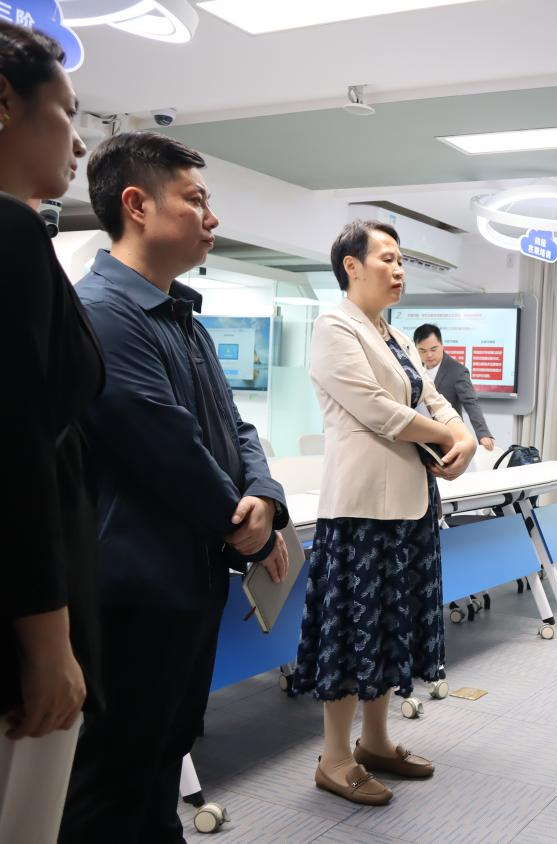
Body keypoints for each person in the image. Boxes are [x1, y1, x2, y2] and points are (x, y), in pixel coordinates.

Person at [60, 131, 290, 843]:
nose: (211, 217)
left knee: (163, 756)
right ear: (137, 205)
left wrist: (266, 498)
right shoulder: (102, 313)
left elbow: (236, 425)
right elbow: (167, 447)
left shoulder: (179, 315)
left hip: (187, 585)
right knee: (113, 781)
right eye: (195, 200)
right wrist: (246, 526)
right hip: (133, 596)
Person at [290, 221, 476, 806]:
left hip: (409, 504)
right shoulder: (334, 326)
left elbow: (432, 398)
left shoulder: (392, 334)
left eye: (402, 262)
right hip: (361, 509)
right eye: (388, 258)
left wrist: (466, 437)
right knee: (353, 630)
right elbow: (375, 409)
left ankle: (374, 742)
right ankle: (334, 758)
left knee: (390, 626)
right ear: (351, 266)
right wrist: (445, 436)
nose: (399, 270)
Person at [0, 22, 100, 843]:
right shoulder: (10, 235)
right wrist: (49, 642)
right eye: (66, 111)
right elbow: (16, 447)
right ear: (4, 103)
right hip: (17, 610)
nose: (79, 141)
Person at [414, 323, 496, 451]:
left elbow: (471, 403)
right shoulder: (413, 368)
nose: (429, 355)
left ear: (442, 346)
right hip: (420, 437)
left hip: (448, 438)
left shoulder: (457, 371)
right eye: (423, 350)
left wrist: (483, 433)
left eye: (433, 349)